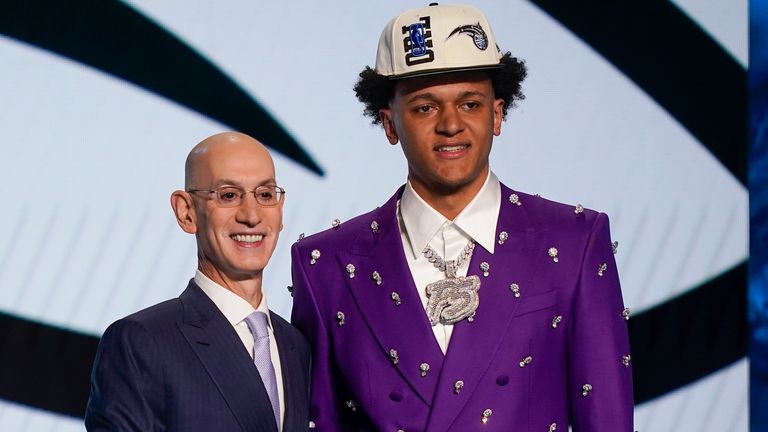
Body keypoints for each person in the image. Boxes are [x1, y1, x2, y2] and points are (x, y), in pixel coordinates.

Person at [290, 3, 633, 431]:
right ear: (388, 123)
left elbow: (605, 417)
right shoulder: (328, 264)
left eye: (470, 103)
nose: (451, 124)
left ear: (497, 114)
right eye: (425, 108)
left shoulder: (572, 242)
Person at [86, 132, 310, 432]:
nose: (252, 215)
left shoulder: (297, 346)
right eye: (229, 195)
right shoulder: (141, 342)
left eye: (265, 195)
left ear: (280, 211)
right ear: (186, 212)